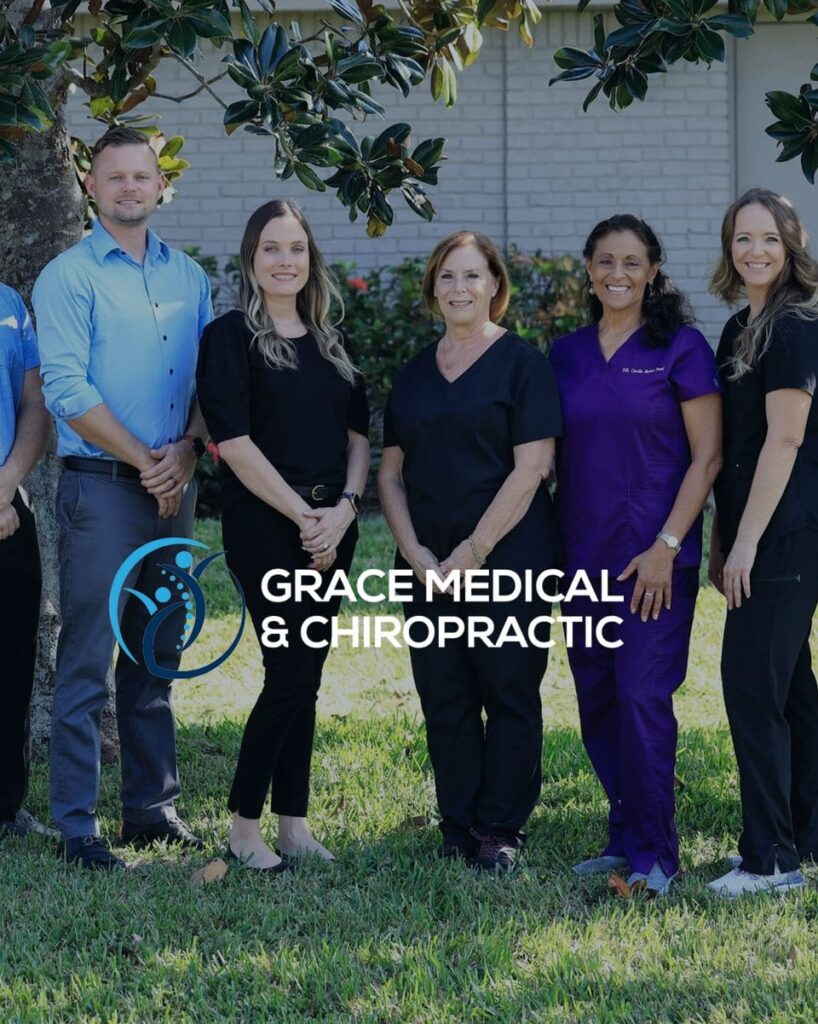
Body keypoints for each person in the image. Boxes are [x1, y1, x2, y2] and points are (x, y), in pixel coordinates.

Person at [32, 126, 213, 869]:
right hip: (103, 492)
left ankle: (151, 808)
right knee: (87, 661)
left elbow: (213, 381)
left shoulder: (190, 277)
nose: (130, 188)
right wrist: (148, 460)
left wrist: (189, 450)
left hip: (176, 485)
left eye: (142, 176)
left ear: (160, 185)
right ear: (91, 186)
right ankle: (78, 825)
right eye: (115, 178)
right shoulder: (68, 277)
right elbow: (68, 390)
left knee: (157, 652)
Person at [379, 231, 562, 872]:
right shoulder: (413, 374)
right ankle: (457, 822)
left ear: (494, 287)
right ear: (433, 289)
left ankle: (500, 828)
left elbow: (533, 466)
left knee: (509, 689)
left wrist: (474, 549)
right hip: (427, 568)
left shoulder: (521, 364)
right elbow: (390, 474)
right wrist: (414, 552)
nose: (460, 288)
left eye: (473, 276)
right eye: (448, 277)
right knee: (446, 694)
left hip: (509, 556)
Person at [549, 214, 721, 896]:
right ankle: (623, 836)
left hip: (655, 559)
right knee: (597, 697)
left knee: (642, 695)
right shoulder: (564, 354)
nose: (617, 274)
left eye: (631, 262)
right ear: (588, 270)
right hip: (583, 553)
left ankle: (657, 855)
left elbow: (707, 457)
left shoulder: (681, 348)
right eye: (604, 262)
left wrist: (667, 545)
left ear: (653, 271)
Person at [196, 200, 369, 872]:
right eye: (272, 248)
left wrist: (346, 511)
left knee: (308, 676)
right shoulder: (229, 337)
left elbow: (360, 437)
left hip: (334, 527)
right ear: (251, 258)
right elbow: (233, 444)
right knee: (290, 671)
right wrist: (305, 518)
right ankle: (243, 828)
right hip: (268, 528)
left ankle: (293, 824)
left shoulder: (330, 339)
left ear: (310, 258)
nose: (285, 260)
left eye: (296, 248)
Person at [706, 189, 818, 898]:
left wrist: (746, 543)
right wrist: (724, 537)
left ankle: (770, 860)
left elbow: (784, 438)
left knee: (751, 686)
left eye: (769, 240)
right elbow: (737, 447)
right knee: (791, 693)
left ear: (791, 246)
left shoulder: (797, 324)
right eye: (743, 239)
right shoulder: (738, 328)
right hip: (752, 532)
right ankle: (805, 837)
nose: (755, 252)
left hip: (786, 534)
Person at [0, 283, 52, 839]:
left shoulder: (9, 305)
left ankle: (5, 808)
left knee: (12, 663)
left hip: (9, 508)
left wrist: (7, 483)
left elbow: (33, 402)